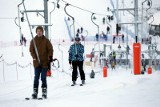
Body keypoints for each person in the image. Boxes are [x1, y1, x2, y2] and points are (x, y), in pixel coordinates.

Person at [29, 26, 53, 99]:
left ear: (42, 32)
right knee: (36, 77)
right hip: (36, 63)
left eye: (40, 31)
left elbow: (50, 49)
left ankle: (44, 92)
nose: (39, 32)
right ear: (36, 32)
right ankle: (35, 92)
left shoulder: (46, 40)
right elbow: (31, 50)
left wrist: (50, 56)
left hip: (44, 63)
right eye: (38, 31)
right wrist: (34, 57)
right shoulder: (33, 40)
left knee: (43, 77)